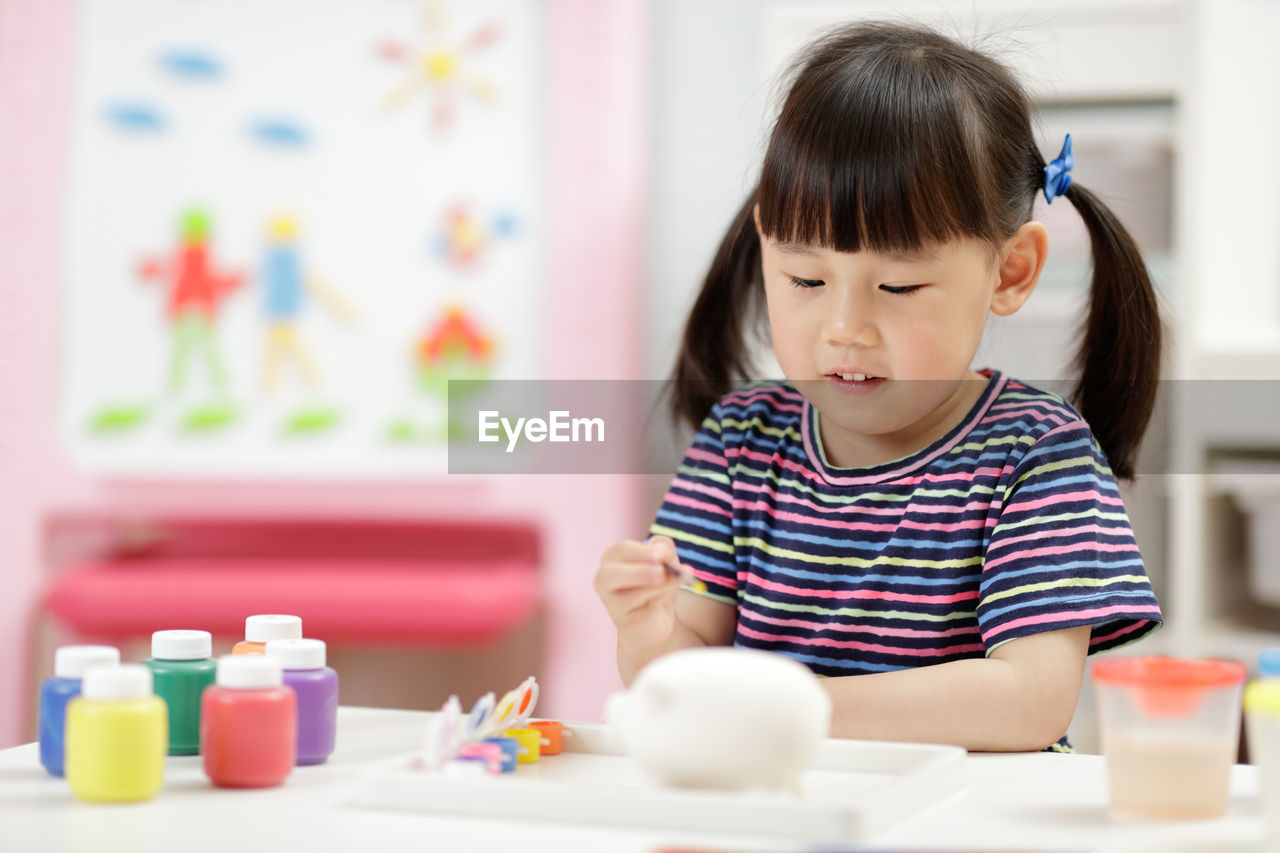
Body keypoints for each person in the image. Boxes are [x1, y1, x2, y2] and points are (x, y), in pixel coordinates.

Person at [593, 21, 1163, 752]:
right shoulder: (741, 442)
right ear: (766, 245)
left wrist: (787, 702)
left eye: (898, 284)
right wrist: (648, 629)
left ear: (1010, 270)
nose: (844, 327)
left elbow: (1030, 699)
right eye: (805, 278)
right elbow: (679, 684)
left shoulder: (1036, 453)